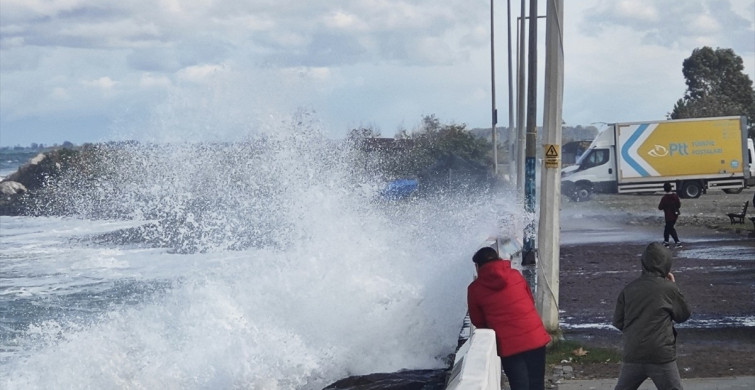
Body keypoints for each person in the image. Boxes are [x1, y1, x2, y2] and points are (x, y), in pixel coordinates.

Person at [467, 247, 551, 390]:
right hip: (534, 336)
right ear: (498, 259)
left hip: (509, 344)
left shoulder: (475, 288)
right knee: (536, 383)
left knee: (519, 385)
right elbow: (530, 300)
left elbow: (478, 321)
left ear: (477, 266)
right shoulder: (515, 275)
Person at [613, 242, 691, 390]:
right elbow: (683, 315)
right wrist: (674, 286)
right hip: (661, 353)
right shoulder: (669, 289)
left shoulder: (628, 289)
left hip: (633, 352)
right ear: (667, 264)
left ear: (643, 263)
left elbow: (619, 322)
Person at [658, 182, 682, 248]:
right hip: (675, 215)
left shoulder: (664, 198)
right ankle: (667, 242)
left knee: (669, 229)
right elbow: (679, 205)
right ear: (671, 188)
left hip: (668, 216)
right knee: (668, 228)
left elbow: (660, 207)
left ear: (664, 189)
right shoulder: (675, 196)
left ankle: (676, 242)